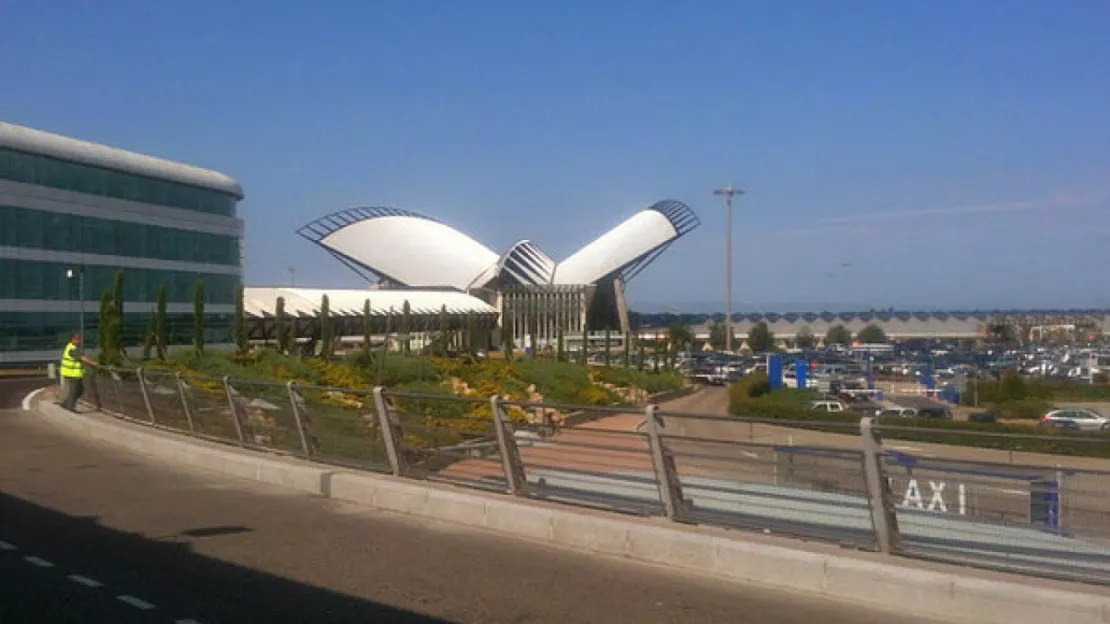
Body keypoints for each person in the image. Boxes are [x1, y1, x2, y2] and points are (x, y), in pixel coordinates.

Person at [59, 334, 93, 411]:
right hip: (72, 374)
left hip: (75, 374)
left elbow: (82, 357)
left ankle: (65, 404)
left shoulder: (74, 347)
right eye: (76, 339)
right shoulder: (73, 348)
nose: (78, 341)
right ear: (72, 340)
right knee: (74, 391)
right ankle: (70, 408)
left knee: (80, 390)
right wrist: (94, 363)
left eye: (79, 339)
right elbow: (82, 358)